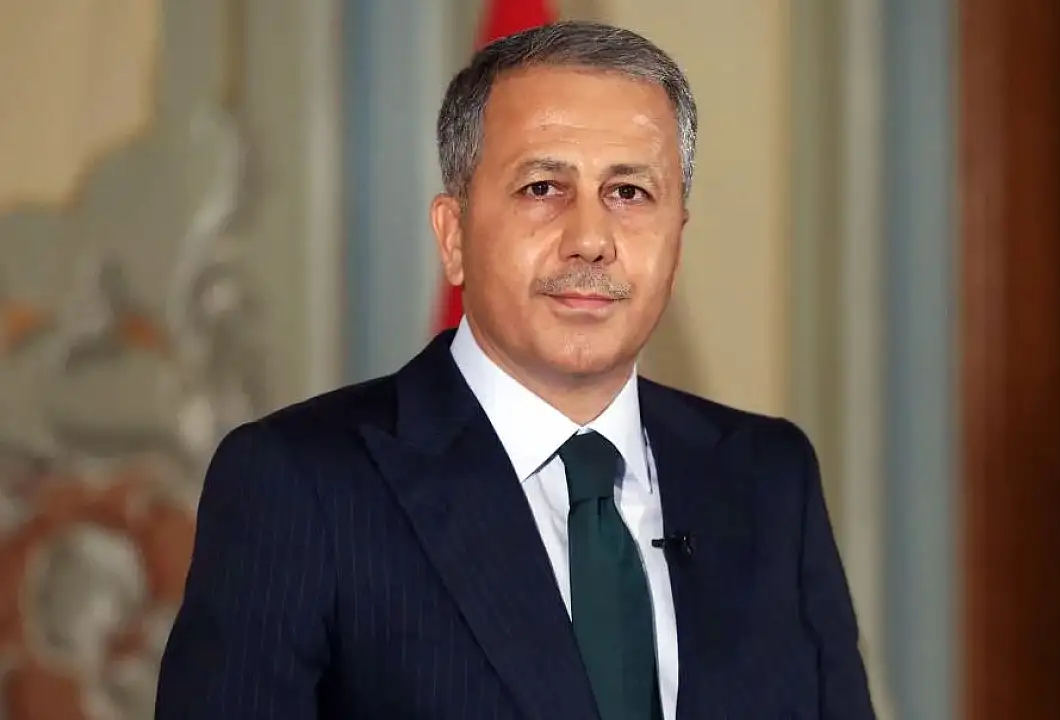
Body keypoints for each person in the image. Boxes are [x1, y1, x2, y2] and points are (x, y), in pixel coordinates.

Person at [155, 20, 877, 720]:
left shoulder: (769, 478)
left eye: (629, 193)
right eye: (542, 188)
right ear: (454, 236)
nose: (590, 239)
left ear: (676, 240)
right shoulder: (300, 484)